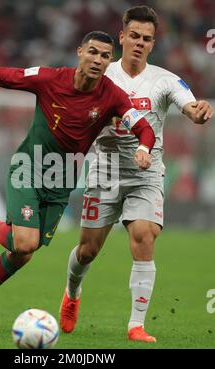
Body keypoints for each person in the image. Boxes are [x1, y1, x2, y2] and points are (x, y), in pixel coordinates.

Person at [0, 31, 156, 333]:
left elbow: (144, 128)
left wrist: (144, 148)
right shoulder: (48, 78)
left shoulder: (112, 95)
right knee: (25, 242)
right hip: (28, 169)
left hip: (63, 180)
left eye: (105, 56)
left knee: (22, 255)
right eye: (92, 52)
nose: (97, 60)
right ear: (79, 51)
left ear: (110, 61)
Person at [59, 6, 214, 343]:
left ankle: (136, 325)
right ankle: (72, 293)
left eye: (147, 38)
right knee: (87, 250)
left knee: (144, 235)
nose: (140, 43)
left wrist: (198, 112)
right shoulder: (101, 72)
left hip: (147, 172)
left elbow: (189, 106)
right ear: (122, 37)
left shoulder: (165, 80)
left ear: (152, 43)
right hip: (104, 170)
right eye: (134, 36)